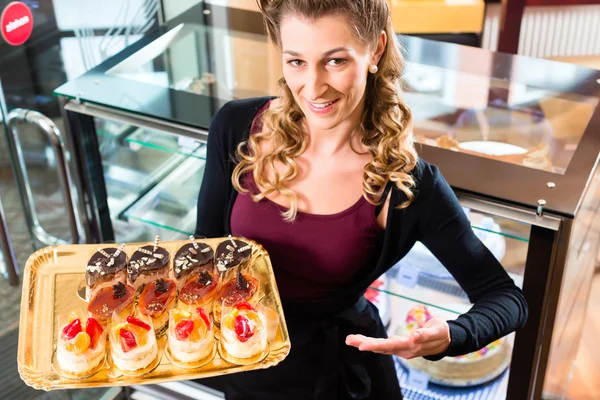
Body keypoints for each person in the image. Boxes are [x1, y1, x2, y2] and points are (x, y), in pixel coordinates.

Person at [195, 0, 528, 399]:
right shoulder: (236, 127)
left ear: (376, 50)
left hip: (337, 374)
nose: (314, 88)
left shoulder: (405, 184)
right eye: (296, 61)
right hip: (244, 357)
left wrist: (450, 336)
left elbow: (506, 298)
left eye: (335, 61)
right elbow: (206, 250)